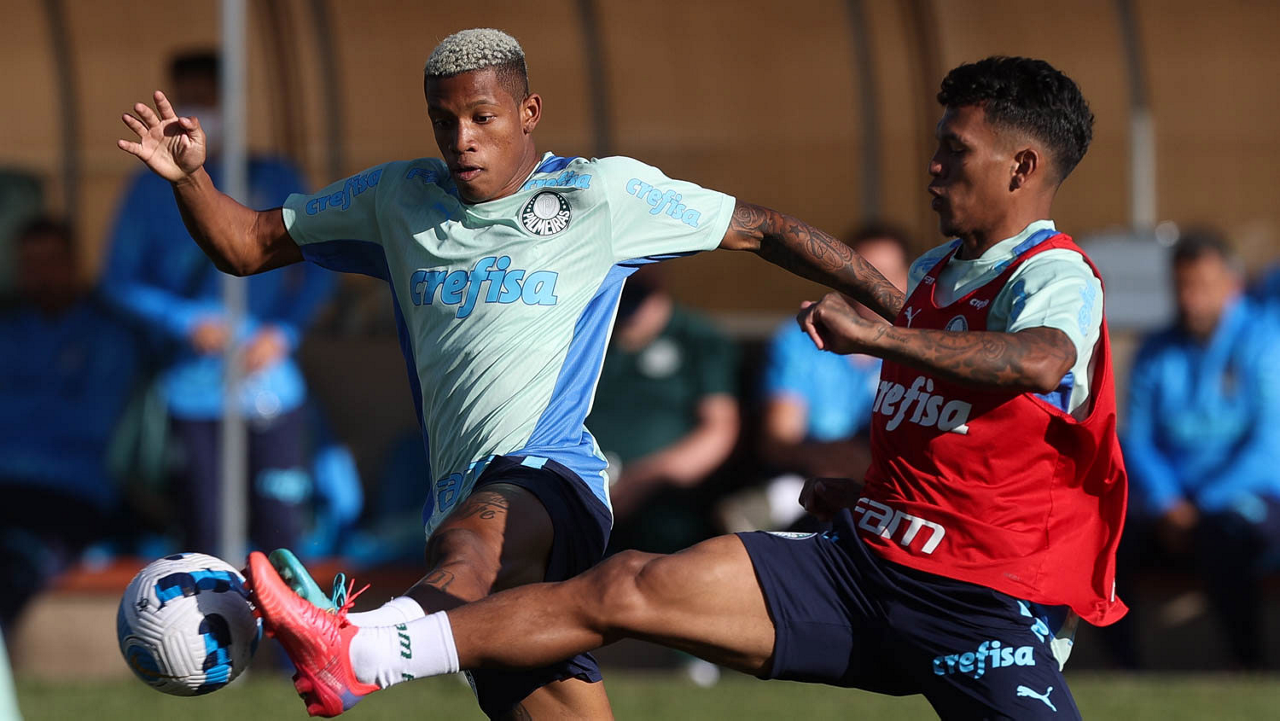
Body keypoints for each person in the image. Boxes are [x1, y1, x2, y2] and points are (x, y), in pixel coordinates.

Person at [248, 55, 1127, 720]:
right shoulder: (935, 272)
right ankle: (360, 650)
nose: (933, 166)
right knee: (624, 585)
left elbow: (1040, 359)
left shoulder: (1055, 273)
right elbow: (965, 437)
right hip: (864, 565)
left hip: (982, 602)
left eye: (954, 151)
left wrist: (883, 335)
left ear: (1021, 168)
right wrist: (871, 497)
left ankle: (361, 642)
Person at [116, 28, 901, 720]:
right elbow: (247, 245)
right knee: (514, 641)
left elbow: (765, 228)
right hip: (457, 496)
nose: (462, 139)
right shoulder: (396, 198)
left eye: (482, 117)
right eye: (444, 120)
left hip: (551, 475)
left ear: (529, 112)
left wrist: (904, 311)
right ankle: (377, 639)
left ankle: (357, 643)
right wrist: (190, 179)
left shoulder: (599, 194)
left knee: (473, 543)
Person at [104, 51, 335, 555]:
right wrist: (185, 321)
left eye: (207, 99)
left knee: (282, 537)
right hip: (192, 390)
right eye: (187, 99)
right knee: (203, 537)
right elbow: (118, 279)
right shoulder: (147, 186)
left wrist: (282, 332)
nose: (197, 110)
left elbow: (324, 262)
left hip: (267, 389)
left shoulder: (274, 176)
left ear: (233, 102)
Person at [1114, 230, 1280, 669]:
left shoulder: (1266, 342)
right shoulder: (1156, 349)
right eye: (1182, 286)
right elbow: (1139, 439)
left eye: (1202, 286)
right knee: (1106, 537)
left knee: (1226, 538)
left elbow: (1268, 447)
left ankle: (1249, 668)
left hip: (1250, 499)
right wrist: (1167, 501)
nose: (1191, 300)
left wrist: (1201, 505)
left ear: (1233, 285)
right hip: (1173, 505)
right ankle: (1125, 673)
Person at [0, 218, 139, 633]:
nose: (41, 274)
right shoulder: (9, 333)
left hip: (70, 492)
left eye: (51, 262)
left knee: (17, 563)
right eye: (30, 264)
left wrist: (22, 409)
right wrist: (51, 404)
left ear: (74, 264)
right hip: (7, 482)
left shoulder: (107, 337)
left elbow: (94, 424)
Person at [752, 225, 909, 530]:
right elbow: (778, 439)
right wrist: (826, 457)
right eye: (862, 276)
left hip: (891, 491)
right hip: (807, 482)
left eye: (886, 276)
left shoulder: (923, 346)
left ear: (908, 279)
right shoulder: (801, 338)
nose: (872, 288)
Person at [588, 266, 740, 554]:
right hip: (581, 496)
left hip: (662, 509)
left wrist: (643, 480)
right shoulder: (585, 333)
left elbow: (719, 429)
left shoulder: (698, 339)